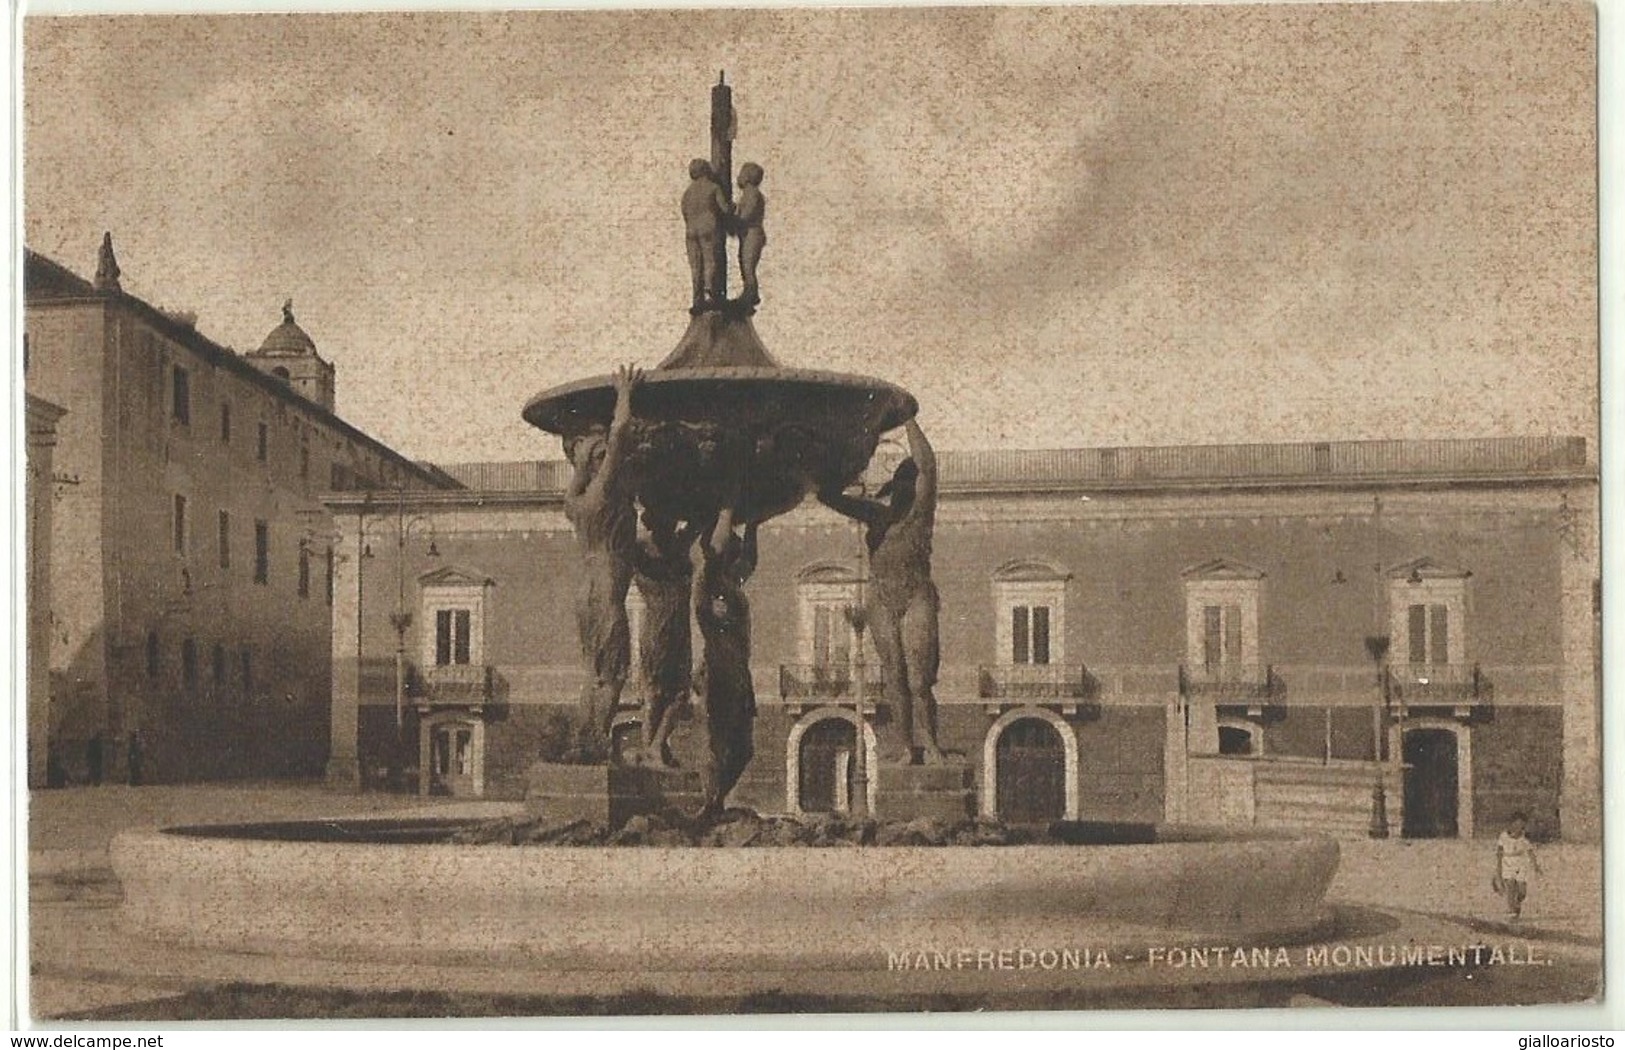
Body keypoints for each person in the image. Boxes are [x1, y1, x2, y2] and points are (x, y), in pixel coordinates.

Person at [818, 420, 945, 764]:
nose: (904, 489)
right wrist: (846, 460)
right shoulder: (875, 515)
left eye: (909, 482)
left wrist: (907, 419)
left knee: (919, 679)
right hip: (881, 597)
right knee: (894, 674)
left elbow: (928, 465)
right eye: (899, 484)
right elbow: (827, 497)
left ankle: (931, 745)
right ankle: (907, 747)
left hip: (915, 593)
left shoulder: (921, 515)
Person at [564, 365, 643, 748]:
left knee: (592, 675)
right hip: (608, 592)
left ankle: (584, 743)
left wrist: (582, 460)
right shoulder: (605, 492)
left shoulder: (576, 503)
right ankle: (595, 743)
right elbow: (621, 433)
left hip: (586, 594)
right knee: (613, 674)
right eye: (603, 456)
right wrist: (624, 394)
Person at [693, 496, 759, 817]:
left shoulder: (735, 584)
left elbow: (751, 560)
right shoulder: (707, 582)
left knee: (745, 749)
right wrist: (727, 509)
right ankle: (710, 803)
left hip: (739, 672)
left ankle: (717, 800)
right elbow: (715, 550)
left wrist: (755, 525)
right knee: (717, 742)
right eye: (733, 548)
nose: (737, 554)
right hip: (718, 669)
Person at [632, 510, 702, 769]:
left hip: (670, 630)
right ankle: (654, 748)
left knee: (669, 693)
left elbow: (698, 521)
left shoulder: (649, 551)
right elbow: (699, 520)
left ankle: (653, 748)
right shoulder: (649, 551)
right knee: (666, 692)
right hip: (664, 630)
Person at [681, 159, 732, 311]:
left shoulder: (688, 192)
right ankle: (710, 294)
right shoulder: (713, 187)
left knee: (696, 265)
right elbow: (725, 209)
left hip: (691, 230)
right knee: (710, 261)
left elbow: (684, 212)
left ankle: (697, 297)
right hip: (708, 227)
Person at [1495, 811, 1541, 920]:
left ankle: (1517, 902)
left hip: (1520, 864)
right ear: (1511, 824)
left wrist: (1536, 866)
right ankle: (1512, 910)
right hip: (1508, 862)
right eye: (1516, 824)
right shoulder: (1503, 836)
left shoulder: (1524, 839)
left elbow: (1530, 852)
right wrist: (1499, 867)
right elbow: (1499, 852)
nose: (1518, 827)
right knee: (1510, 886)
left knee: (1522, 891)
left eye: (1521, 825)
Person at [733, 162, 767, 306]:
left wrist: (736, 220)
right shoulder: (749, 193)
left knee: (748, 265)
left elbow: (747, 213)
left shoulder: (752, 193)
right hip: (748, 233)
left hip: (752, 232)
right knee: (744, 262)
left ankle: (751, 293)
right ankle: (749, 291)